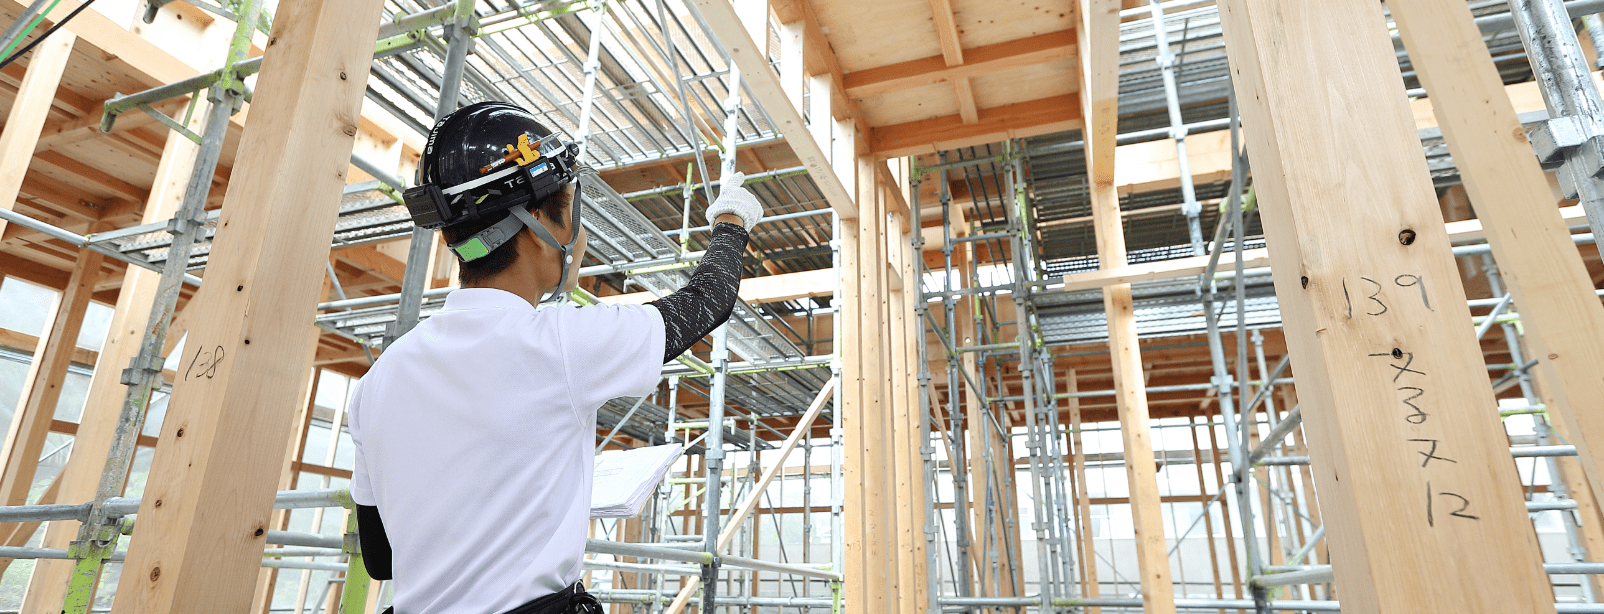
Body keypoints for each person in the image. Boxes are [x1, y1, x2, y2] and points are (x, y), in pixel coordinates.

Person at [347, 101, 764, 614]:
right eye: (571, 209)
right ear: (535, 224)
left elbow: (382, 557)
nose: (578, 233)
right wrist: (731, 220)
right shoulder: (558, 342)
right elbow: (707, 301)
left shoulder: (379, 378)